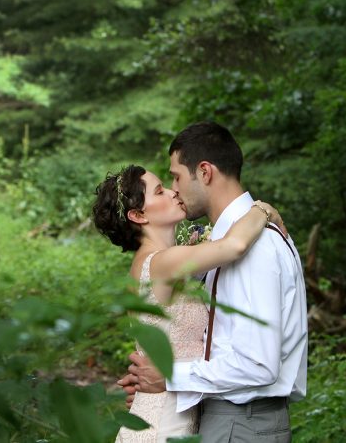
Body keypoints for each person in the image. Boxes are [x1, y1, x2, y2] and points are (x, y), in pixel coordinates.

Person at [118, 122, 308, 443]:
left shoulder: (255, 246)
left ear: (204, 172)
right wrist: (156, 391)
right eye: (163, 187)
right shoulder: (222, 244)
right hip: (216, 415)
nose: (174, 189)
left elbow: (258, 365)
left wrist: (168, 379)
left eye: (175, 177)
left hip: (242, 421)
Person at [92, 164, 284, 442]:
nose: (173, 193)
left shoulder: (161, 262)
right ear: (138, 215)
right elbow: (234, 246)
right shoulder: (162, 263)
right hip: (161, 424)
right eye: (160, 191)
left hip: (169, 413)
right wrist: (262, 210)